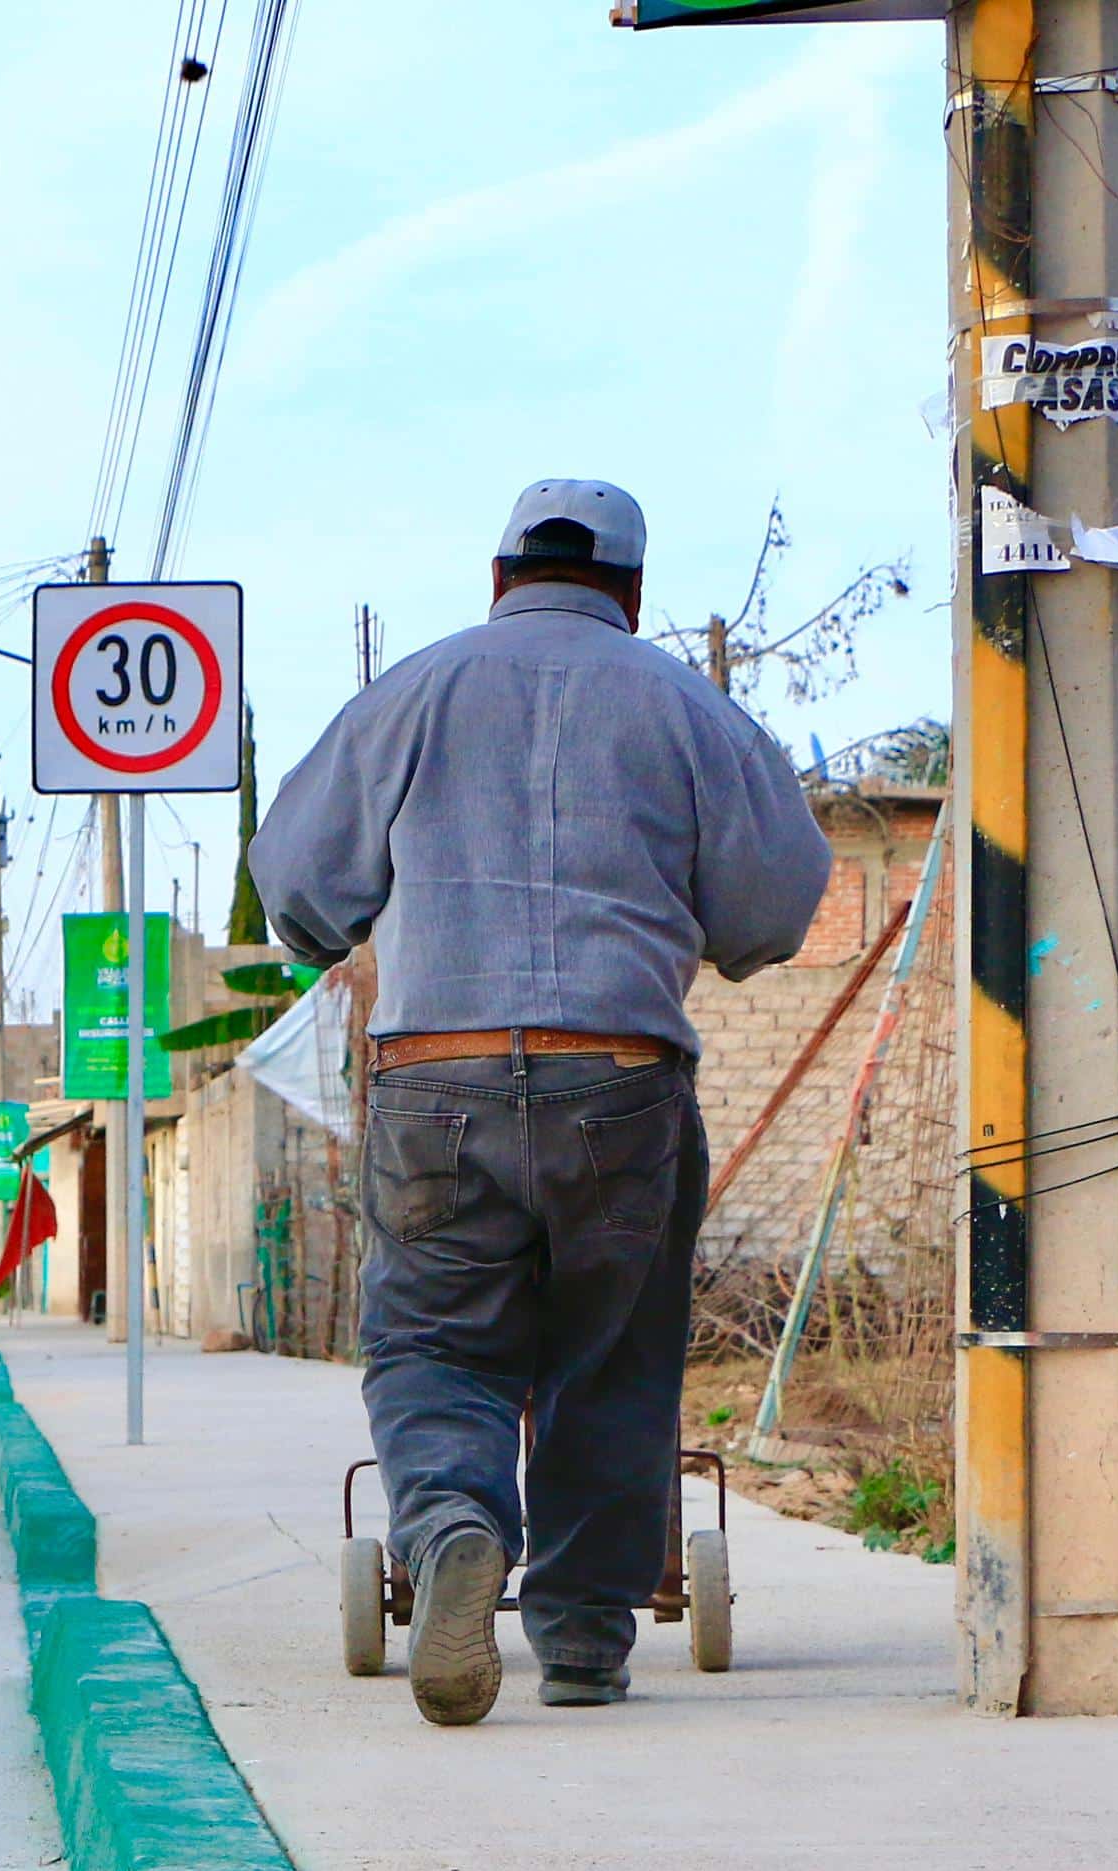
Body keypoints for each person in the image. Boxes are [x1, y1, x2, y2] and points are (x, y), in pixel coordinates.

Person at [247, 478, 830, 1725]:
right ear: (626, 589)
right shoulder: (692, 710)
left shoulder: (408, 691)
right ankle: (578, 1640)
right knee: (608, 1356)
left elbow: (293, 888)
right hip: (619, 1076)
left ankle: (454, 1522)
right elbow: (771, 910)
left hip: (430, 1076)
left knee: (433, 1342)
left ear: (499, 574)